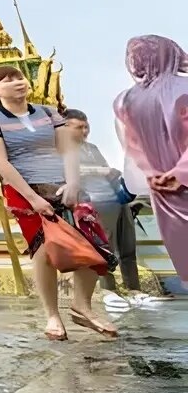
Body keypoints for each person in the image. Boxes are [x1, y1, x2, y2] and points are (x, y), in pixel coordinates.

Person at [0, 65, 114, 341]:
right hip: (24, 189)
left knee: (93, 244)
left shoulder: (47, 112)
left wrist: (74, 182)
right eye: (8, 80)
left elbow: (68, 150)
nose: (18, 82)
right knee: (43, 249)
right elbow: (0, 162)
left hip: (63, 184)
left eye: (19, 77)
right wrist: (33, 198)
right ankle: (52, 314)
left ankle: (82, 306)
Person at [115, 35, 188, 289]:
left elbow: (132, 147)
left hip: (162, 190)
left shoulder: (125, 101)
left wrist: (154, 174)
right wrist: (180, 173)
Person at [63, 108, 141, 296]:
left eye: (86, 126)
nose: (85, 131)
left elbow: (107, 171)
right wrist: (100, 171)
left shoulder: (92, 148)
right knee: (104, 250)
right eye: (79, 127)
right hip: (93, 203)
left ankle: (134, 290)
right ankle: (109, 291)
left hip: (116, 201)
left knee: (128, 248)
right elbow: (69, 174)